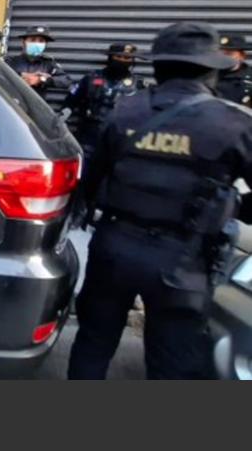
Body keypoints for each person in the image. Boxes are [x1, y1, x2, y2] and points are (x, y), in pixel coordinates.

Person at [67, 22, 252, 380]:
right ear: (211, 70)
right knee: (170, 360)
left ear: (159, 66)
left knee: (93, 342)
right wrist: (232, 208)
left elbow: (90, 180)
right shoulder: (233, 124)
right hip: (183, 261)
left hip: (113, 248)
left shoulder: (125, 112)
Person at [63, 42, 145, 164]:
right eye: (118, 56)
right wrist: (60, 121)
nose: (122, 60)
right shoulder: (90, 78)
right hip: (88, 136)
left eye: (127, 58)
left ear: (133, 60)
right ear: (110, 57)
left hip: (119, 139)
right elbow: (70, 102)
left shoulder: (138, 85)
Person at [5, 25, 71, 93]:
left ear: (45, 44)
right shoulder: (11, 61)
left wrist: (41, 79)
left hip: (35, 102)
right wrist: (21, 75)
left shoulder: (49, 63)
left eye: (41, 41)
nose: (36, 44)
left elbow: (66, 81)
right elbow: (0, 74)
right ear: (24, 42)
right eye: (33, 40)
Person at [216, 34, 252, 107]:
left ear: (242, 56)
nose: (224, 57)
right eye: (221, 54)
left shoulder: (249, 77)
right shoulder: (208, 76)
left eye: (229, 54)